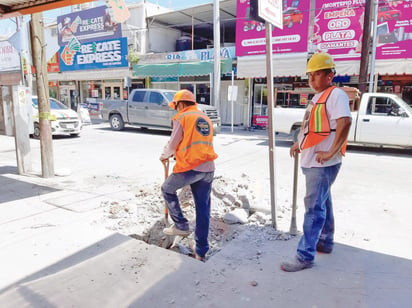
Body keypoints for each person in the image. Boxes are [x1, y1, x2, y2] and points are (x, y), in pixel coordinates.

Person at [281, 52, 352, 272]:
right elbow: (311, 128)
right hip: (313, 160)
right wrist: (299, 144)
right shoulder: (318, 98)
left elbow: (345, 121)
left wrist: (331, 152)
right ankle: (325, 241)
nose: (311, 80)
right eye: (310, 75)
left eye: (316, 75)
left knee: (313, 209)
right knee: (323, 201)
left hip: (322, 164)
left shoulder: (335, 95)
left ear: (330, 75)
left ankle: (305, 256)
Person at [160, 89, 218, 262]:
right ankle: (201, 252)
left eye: (176, 106)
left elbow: (173, 143)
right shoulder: (204, 117)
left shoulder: (182, 117)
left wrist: (164, 155)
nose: (176, 109)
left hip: (191, 167)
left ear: (181, 104)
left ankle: (181, 225)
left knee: (167, 189)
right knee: (203, 210)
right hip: (208, 168)